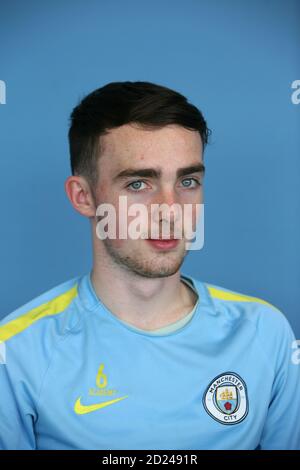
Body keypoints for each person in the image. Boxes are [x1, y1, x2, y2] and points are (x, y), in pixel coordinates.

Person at [0, 81, 299, 450]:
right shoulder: (15, 353)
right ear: (83, 196)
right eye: (139, 184)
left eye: (188, 181)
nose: (171, 211)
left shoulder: (266, 334)